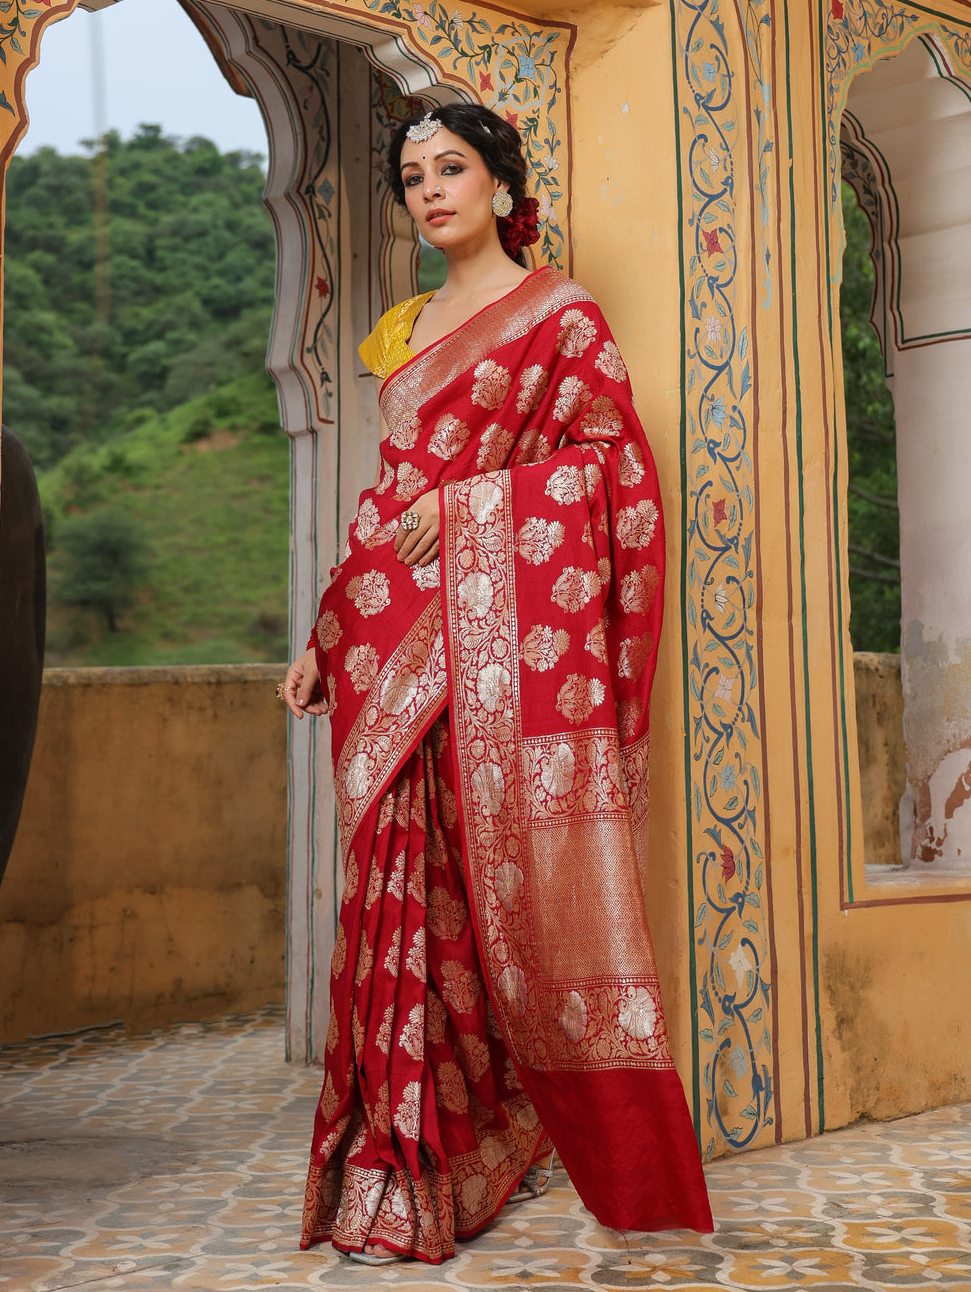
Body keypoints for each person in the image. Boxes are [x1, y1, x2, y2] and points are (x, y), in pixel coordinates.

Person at [281, 103, 713, 1265]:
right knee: (390, 888)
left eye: (451, 169)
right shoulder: (404, 330)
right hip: (383, 639)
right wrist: (328, 628)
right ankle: (392, 1153)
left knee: (476, 889)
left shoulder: (559, 315)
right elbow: (383, 495)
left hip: (486, 643)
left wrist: (468, 512)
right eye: (411, 175)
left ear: (502, 183)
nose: (428, 192)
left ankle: (479, 1138)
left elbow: (611, 475)